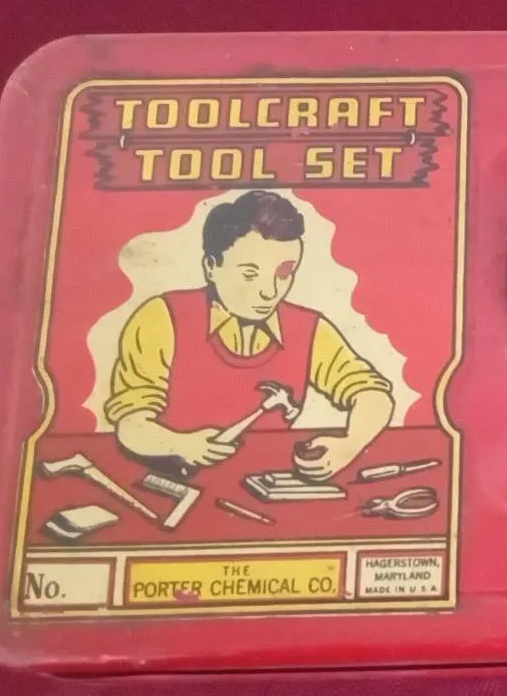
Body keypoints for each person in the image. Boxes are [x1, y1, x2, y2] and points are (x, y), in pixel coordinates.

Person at [105, 190, 394, 481]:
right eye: (249, 274)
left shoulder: (308, 329)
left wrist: (349, 445)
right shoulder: (163, 317)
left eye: (284, 273)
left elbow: (372, 393)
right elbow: (131, 423)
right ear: (211, 267)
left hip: (265, 484)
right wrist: (178, 444)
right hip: (170, 481)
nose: (269, 291)